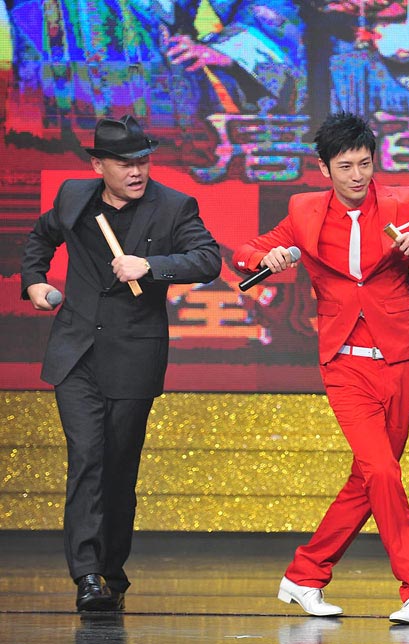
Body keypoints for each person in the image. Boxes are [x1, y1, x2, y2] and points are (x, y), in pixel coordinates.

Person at [232, 111, 409, 624]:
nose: (358, 175)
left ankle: (304, 575)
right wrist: (264, 261)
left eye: (365, 163)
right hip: (344, 363)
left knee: (370, 479)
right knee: (381, 470)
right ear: (325, 169)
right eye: (345, 166)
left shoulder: (403, 204)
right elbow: (245, 252)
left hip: (398, 360)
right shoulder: (304, 211)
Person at [20, 115, 222, 611]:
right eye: (124, 163)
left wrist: (150, 266)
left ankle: (111, 570)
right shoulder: (75, 197)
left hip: (134, 355)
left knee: (117, 468)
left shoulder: (173, 206)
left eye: (143, 161)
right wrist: (35, 281)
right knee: (87, 458)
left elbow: (208, 259)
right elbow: (40, 237)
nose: (137, 171)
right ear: (98, 165)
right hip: (76, 353)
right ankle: (87, 575)